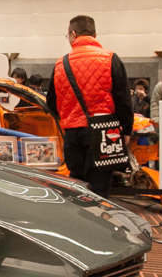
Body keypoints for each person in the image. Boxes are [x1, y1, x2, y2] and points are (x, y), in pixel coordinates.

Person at [46, 15, 133, 197]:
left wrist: (69, 115)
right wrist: (126, 130)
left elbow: (51, 102)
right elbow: (123, 99)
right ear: (95, 35)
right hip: (104, 131)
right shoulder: (110, 58)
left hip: (73, 133)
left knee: (76, 184)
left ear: (73, 34)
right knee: (99, 186)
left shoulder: (61, 63)